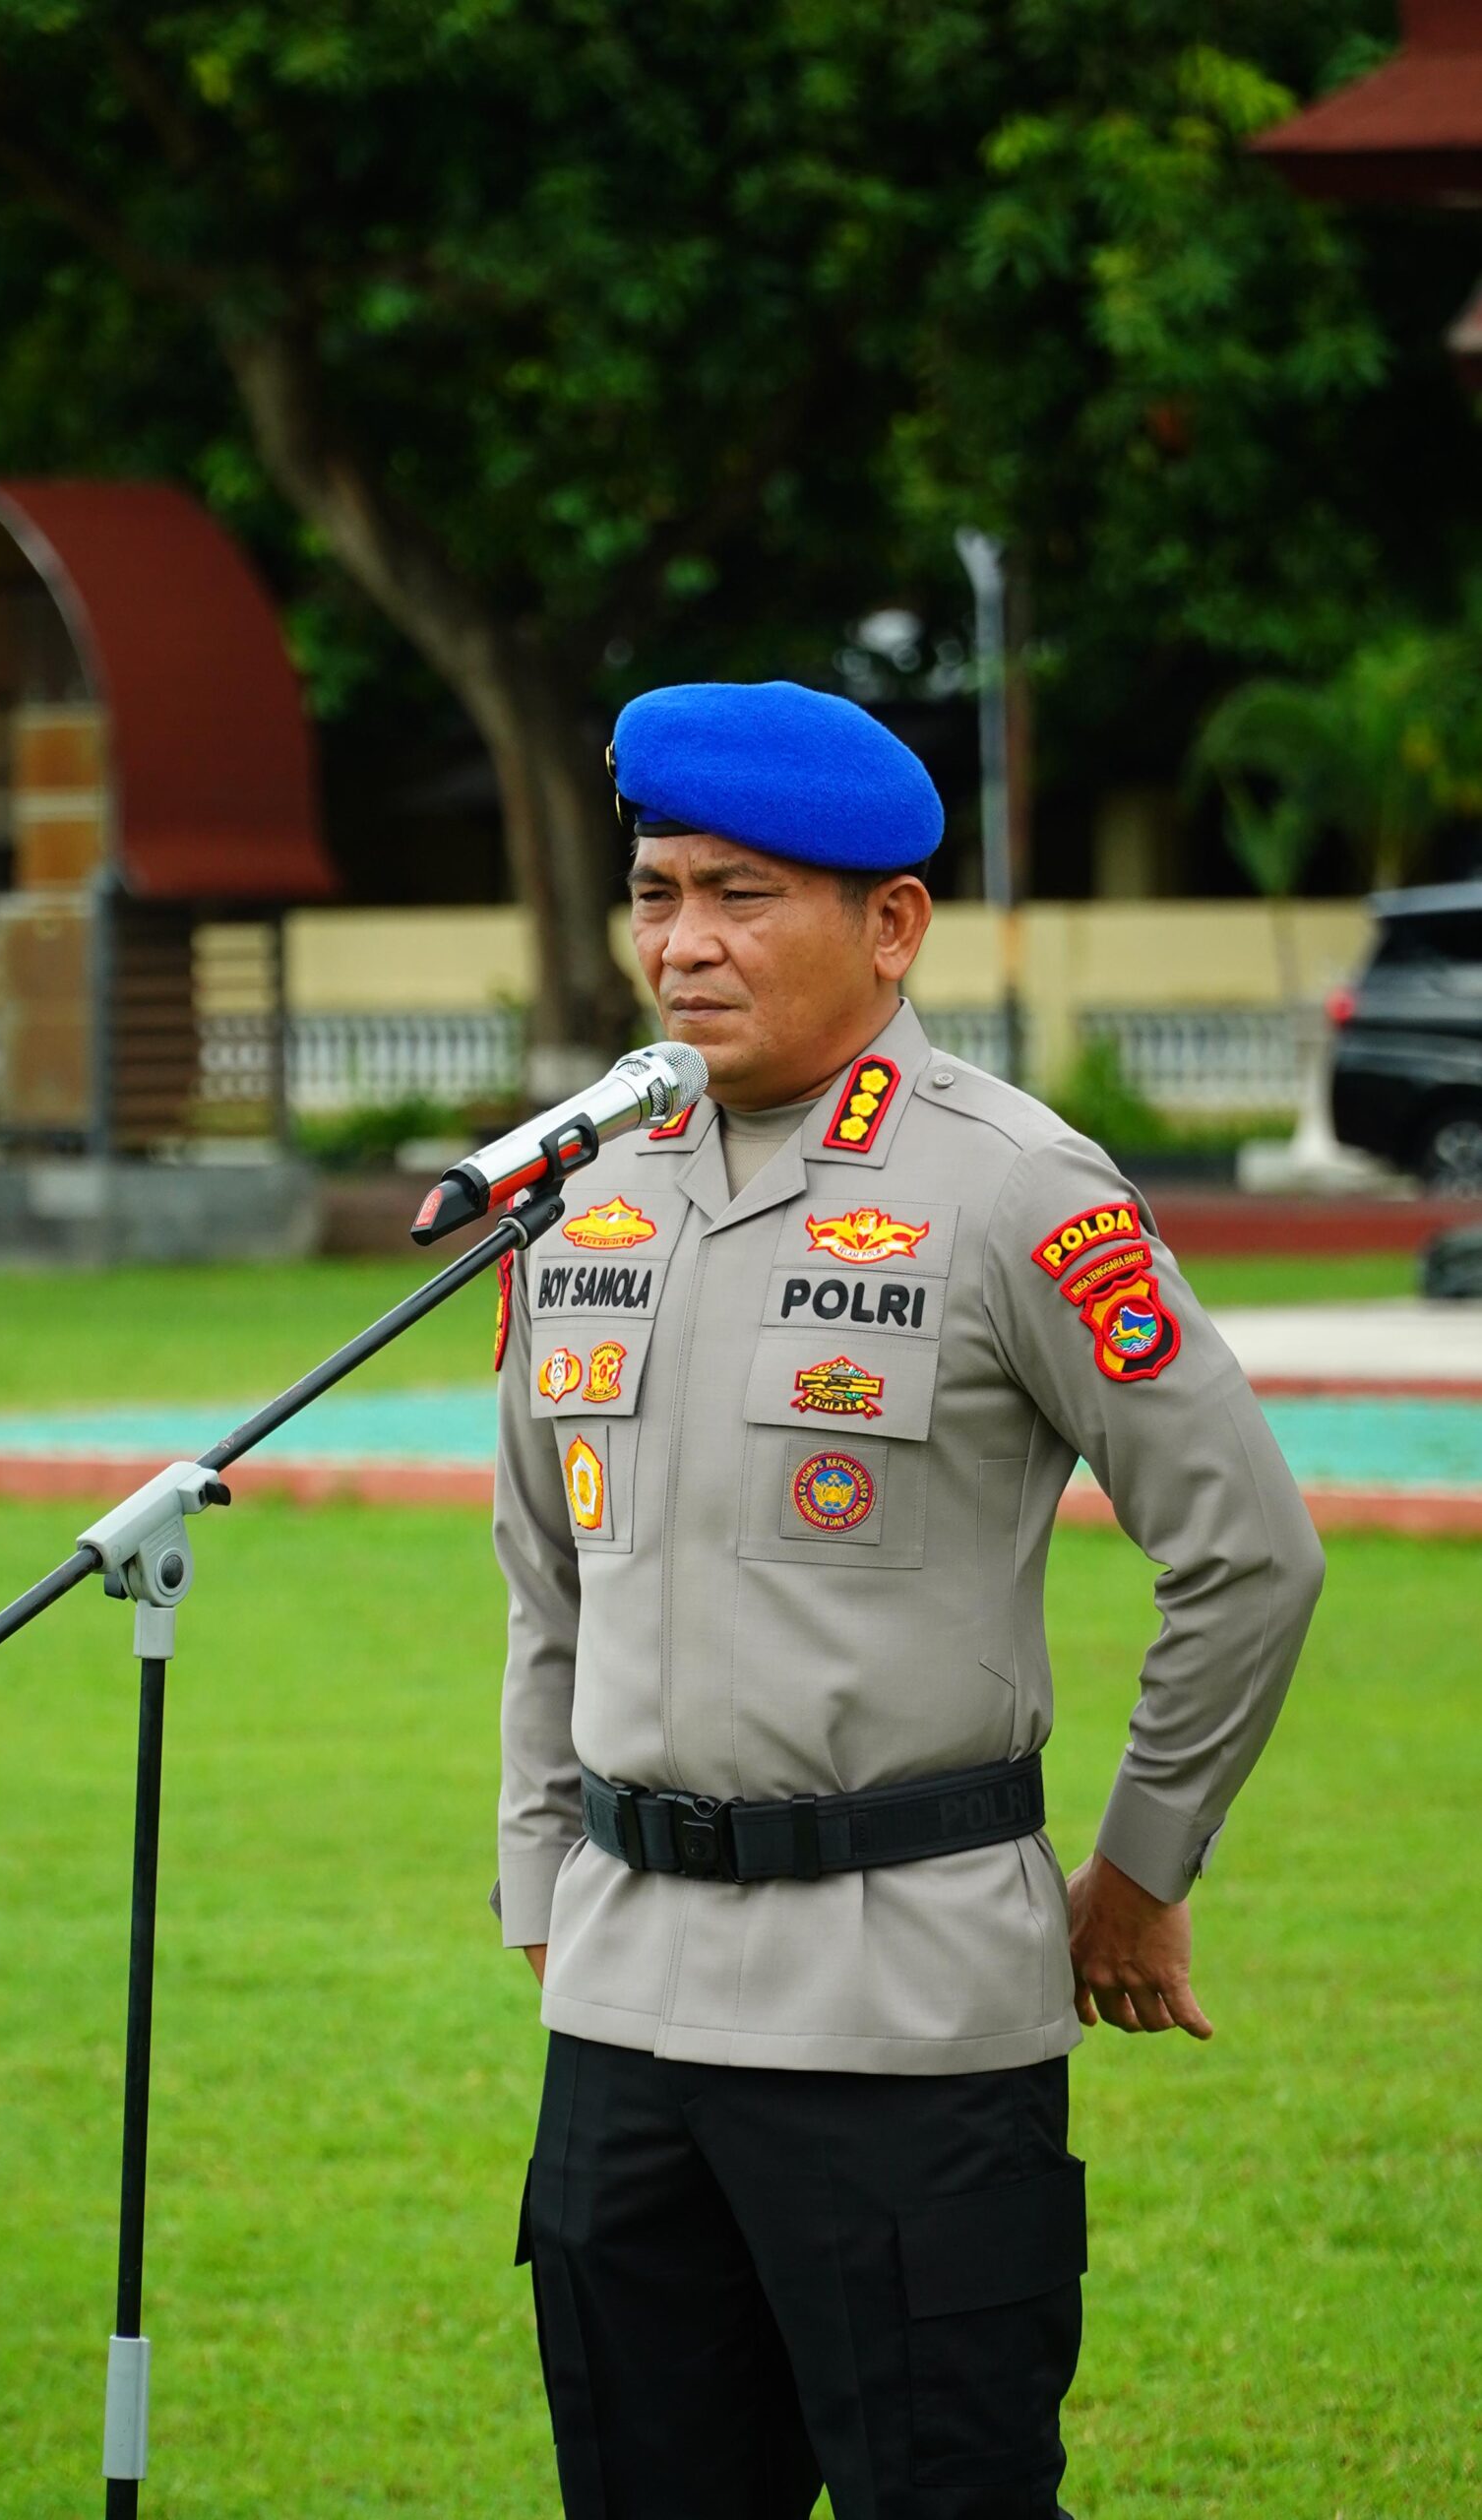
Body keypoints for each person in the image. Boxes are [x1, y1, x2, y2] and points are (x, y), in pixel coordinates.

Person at [484, 678, 1325, 2520]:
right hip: (624, 2026)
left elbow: (1249, 1551)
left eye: (743, 895)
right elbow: (547, 1577)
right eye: (657, 893)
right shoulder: (586, 1198)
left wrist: (1141, 1871)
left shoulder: (1015, 1192)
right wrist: (540, 1877)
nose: (684, 944)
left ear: (893, 925)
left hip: (904, 2026)